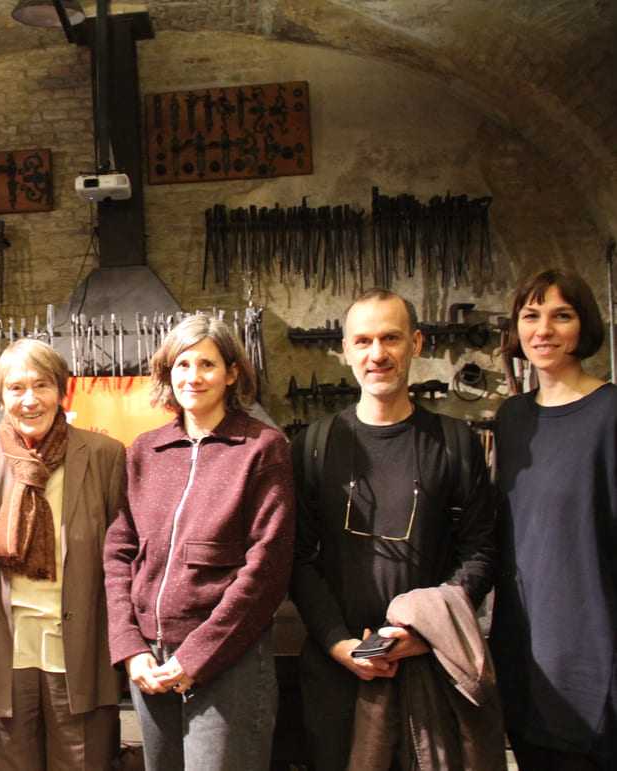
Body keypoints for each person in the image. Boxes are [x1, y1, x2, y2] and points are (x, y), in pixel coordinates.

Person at [289, 288, 498, 769]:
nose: (377, 354)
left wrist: (427, 633)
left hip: (430, 665)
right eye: (362, 341)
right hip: (338, 672)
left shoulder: (455, 443)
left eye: (391, 338)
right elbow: (297, 556)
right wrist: (340, 644)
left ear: (417, 344)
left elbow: (481, 551)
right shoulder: (314, 446)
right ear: (345, 349)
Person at [104, 314, 295, 770]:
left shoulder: (262, 447)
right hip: (151, 662)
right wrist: (130, 648)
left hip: (229, 661)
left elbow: (267, 568)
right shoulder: (146, 450)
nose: (193, 377)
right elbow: (118, 552)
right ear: (168, 373)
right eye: (182, 364)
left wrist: (197, 654)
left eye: (207, 364)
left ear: (231, 373)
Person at [0, 338, 125, 770]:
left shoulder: (104, 456)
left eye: (42, 385)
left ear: (61, 390)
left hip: (83, 654)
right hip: (3, 657)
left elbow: (124, 566)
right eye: (15, 388)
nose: (30, 400)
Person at [492, 268, 617, 770]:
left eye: (560, 315)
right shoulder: (512, 417)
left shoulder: (610, 412)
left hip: (594, 652)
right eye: (531, 315)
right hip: (524, 651)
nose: (543, 329)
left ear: (583, 325)